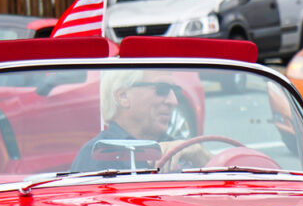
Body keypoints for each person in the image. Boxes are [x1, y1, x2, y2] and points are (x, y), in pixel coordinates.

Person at [72, 69, 206, 172]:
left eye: (175, 91)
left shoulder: (178, 147)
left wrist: (198, 154)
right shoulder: (98, 154)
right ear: (123, 96)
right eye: (162, 89)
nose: (173, 101)